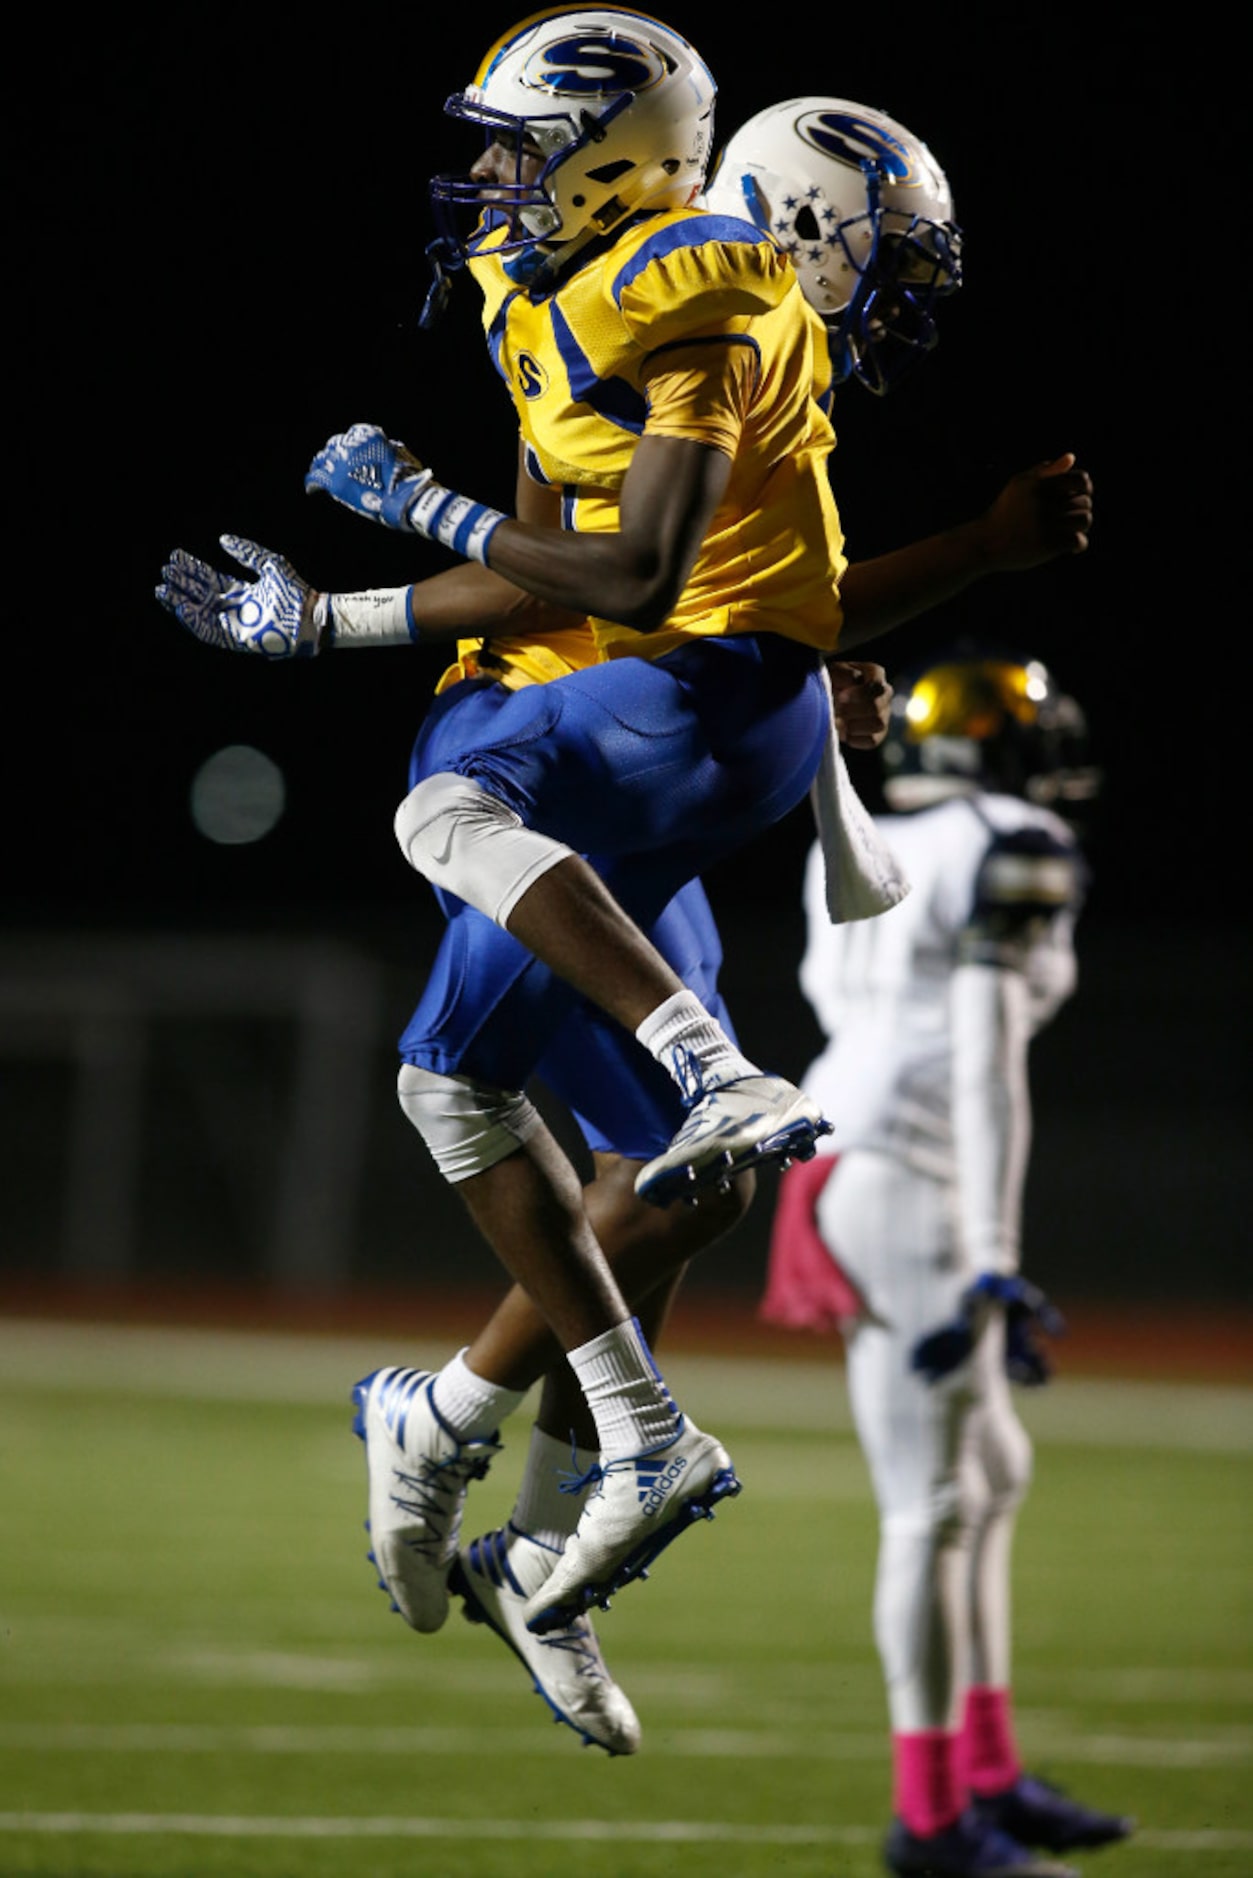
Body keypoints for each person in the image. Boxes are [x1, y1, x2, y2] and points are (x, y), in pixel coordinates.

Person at [156, 7, 1092, 1722]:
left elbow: (708, 581)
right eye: (883, 260)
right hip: (560, 755)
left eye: (518, 150)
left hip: (642, 754)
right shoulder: (647, 304)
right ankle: (521, 1429)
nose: (494, 181)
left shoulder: (695, 323)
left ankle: (524, 1515)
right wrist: (361, 603)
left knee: (692, 1180)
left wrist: (835, 633)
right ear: (806, 228)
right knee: (474, 1082)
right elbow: (580, 572)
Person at [761, 647, 1134, 1876]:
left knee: (989, 1473)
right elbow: (981, 1055)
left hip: (839, 1150)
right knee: (927, 1504)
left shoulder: (850, 835)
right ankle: (929, 1819)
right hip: (914, 1174)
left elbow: (840, 998)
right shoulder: (1012, 837)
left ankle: (983, 1771)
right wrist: (990, 1255)